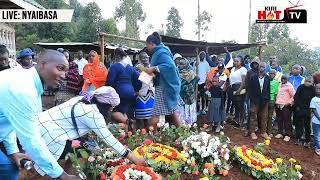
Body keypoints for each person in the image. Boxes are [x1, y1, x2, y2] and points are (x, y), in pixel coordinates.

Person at [0, 50, 80, 179]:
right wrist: (62, 175)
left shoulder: (28, 82)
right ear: (42, 64)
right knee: (9, 171)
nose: (64, 75)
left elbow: (8, 120)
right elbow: (31, 140)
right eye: (60, 68)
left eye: (66, 71)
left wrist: (12, 151)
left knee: (9, 170)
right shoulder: (23, 89)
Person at [35, 86, 146, 176]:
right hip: (49, 133)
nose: (111, 110)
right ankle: (67, 175)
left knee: (88, 146)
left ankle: (65, 173)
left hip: (40, 124)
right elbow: (109, 139)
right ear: (105, 104)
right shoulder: (92, 114)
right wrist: (134, 158)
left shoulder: (83, 100)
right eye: (111, 107)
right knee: (85, 151)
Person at [143, 32, 181, 128]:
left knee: (156, 113)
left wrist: (154, 68)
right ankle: (183, 133)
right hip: (163, 86)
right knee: (172, 111)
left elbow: (170, 66)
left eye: (147, 45)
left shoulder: (161, 52)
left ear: (151, 43)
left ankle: (152, 137)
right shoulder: (160, 51)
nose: (146, 47)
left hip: (164, 87)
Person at [107, 48, 142, 124]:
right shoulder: (131, 68)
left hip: (120, 92)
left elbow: (110, 82)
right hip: (131, 92)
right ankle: (128, 131)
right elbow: (139, 80)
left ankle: (127, 122)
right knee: (125, 111)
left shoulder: (114, 67)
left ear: (116, 56)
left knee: (115, 111)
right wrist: (136, 90)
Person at [247, 62, 270, 140]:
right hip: (254, 100)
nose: (262, 68)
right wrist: (250, 98)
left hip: (264, 100)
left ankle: (263, 132)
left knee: (264, 116)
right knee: (253, 116)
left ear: (265, 68)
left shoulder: (267, 78)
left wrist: (267, 99)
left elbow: (268, 89)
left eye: (263, 67)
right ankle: (252, 132)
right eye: (260, 66)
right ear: (258, 67)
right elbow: (249, 88)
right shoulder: (253, 77)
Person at [135, 52, 155, 129]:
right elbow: (139, 79)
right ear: (140, 59)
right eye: (144, 58)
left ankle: (148, 131)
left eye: (147, 58)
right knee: (141, 114)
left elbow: (154, 77)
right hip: (140, 93)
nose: (146, 59)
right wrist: (150, 75)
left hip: (151, 93)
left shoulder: (151, 67)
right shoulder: (137, 67)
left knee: (150, 115)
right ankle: (141, 132)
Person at [293, 76, 315, 147]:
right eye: (306, 81)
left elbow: (313, 99)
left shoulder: (313, 89)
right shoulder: (301, 87)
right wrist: (298, 106)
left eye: (309, 82)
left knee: (307, 125)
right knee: (298, 124)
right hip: (300, 108)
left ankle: (307, 140)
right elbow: (296, 97)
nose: (307, 83)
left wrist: (311, 109)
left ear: (312, 82)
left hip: (308, 109)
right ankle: (298, 138)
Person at [177, 58, 199, 125]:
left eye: (182, 64)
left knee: (188, 108)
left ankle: (190, 123)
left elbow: (197, 78)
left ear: (186, 64)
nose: (180, 66)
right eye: (179, 64)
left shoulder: (190, 72)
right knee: (181, 108)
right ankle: (182, 123)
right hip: (180, 93)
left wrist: (190, 85)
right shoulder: (177, 72)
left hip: (188, 94)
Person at [275, 75, 295, 142]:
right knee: (279, 119)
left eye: (285, 79)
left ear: (287, 79)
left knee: (287, 120)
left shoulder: (289, 86)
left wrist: (288, 103)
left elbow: (293, 96)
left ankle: (287, 135)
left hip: (286, 106)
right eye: (282, 78)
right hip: (278, 105)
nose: (283, 80)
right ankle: (280, 133)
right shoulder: (279, 85)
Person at [229, 55, 247, 128]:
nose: (235, 62)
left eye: (237, 61)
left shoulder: (243, 69)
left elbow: (243, 81)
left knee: (240, 105)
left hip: (239, 88)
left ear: (241, 62)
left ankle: (242, 122)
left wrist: (239, 90)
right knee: (235, 105)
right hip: (233, 88)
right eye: (234, 61)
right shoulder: (232, 69)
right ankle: (236, 120)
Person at [244, 57, 260, 136]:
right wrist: (247, 95)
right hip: (250, 95)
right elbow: (247, 84)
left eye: (256, 63)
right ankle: (248, 129)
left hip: (259, 96)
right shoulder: (249, 72)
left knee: (258, 114)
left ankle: (256, 128)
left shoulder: (260, 72)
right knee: (250, 112)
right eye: (254, 63)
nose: (255, 65)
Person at [197, 50, 211, 114]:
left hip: (203, 82)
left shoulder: (206, 64)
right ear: (199, 56)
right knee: (197, 97)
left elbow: (208, 73)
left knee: (203, 96)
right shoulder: (196, 63)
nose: (202, 56)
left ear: (204, 56)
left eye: (203, 55)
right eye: (201, 55)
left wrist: (206, 82)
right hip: (197, 82)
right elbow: (194, 71)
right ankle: (197, 109)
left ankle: (203, 109)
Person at [268, 69, 279, 137]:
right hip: (265, 99)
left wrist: (275, 101)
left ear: (275, 75)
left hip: (272, 100)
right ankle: (262, 129)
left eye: (273, 74)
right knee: (264, 115)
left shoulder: (276, 82)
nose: (271, 75)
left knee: (270, 116)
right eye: (270, 73)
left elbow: (276, 93)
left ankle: (269, 131)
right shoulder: (266, 80)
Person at [310, 84, 320, 156]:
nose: (318, 90)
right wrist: (319, 118)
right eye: (317, 89)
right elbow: (313, 109)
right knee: (317, 135)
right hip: (316, 121)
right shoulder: (314, 99)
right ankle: (318, 147)